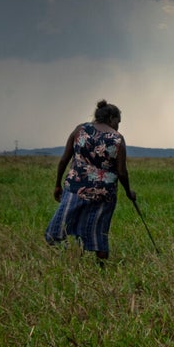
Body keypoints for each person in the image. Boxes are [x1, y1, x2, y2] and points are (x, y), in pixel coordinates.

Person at [45, 99, 136, 263]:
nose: (118, 126)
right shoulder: (117, 139)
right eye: (118, 121)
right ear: (111, 118)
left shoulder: (80, 130)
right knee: (99, 230)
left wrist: (58, 184)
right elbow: (122, 172)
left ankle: (68, 256)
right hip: (104, 193)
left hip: (75, 188)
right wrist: (129, 191)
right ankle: (101, 267)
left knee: (62, 225)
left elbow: (64, 160)